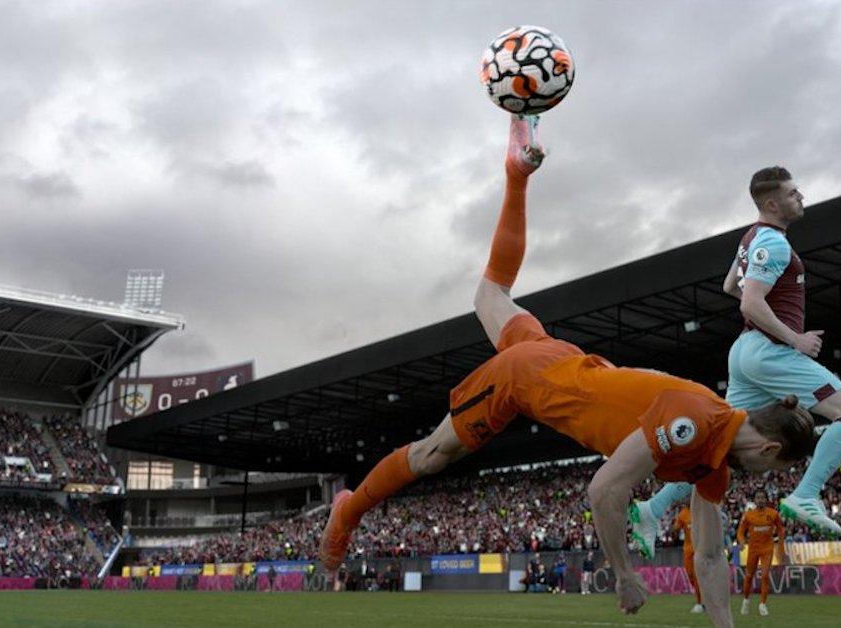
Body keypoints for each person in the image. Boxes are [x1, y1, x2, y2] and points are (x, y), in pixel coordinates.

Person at [317, 115, 815, 628]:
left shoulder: (713, 464)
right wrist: (623, 573)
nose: (764, 478)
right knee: (429, 457)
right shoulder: (694, 423)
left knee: (490, 295)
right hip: (524, 380)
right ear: (769, 448)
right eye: (774, 470)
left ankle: (516, 176)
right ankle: (347, 513)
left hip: (557, 357)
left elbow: (710, 558)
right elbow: (604, 489)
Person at [631, 166, 841, 555]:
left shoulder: (751, 238)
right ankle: (806, 495)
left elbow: (730, 285)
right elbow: (748, 300)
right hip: (767, 351)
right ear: (773, 203)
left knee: (717, 443)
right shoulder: (774, 243)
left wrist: (761, 310)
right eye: (793, 194)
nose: (801, 197)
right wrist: (795, 338)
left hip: (744, 352)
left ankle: (651, 508)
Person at [737, 491, 784, 616]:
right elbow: (741, 531)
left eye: (762, 497)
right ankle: (746, 601)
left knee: (764, 575)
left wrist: (780, 546)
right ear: (754, 500)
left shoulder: (773, 514)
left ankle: (762, 604)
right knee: (748, 576)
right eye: (758, 498)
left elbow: (780, 529)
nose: (760, 500)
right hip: (753, 550)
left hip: (767, 549)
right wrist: (741, 541)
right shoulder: (748, 515)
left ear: (766, 499)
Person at [671, 507, 704, 614]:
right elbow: (676, 529)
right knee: (690, 575)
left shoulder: (702, 510)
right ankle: (704, 596)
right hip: (688, 549)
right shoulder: (683, 513)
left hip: (700, 548)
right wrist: (674, 528)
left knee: (696, 575)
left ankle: (699, 603)